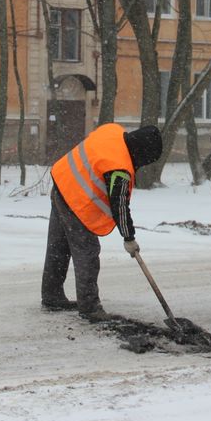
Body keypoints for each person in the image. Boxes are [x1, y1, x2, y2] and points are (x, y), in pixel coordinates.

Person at [42, 123, 163, 322]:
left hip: (62, 182)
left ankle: (52, 295)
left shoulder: (112, 131)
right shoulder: (119, 168)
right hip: (76, 201)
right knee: (87, 253)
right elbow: (119, 206)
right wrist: (129, 238)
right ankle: (90, 308)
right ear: (141, 154)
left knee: (58, 247)